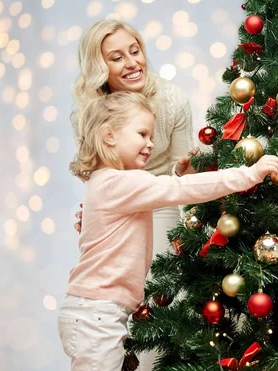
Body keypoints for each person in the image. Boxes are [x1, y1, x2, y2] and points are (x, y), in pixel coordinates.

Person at [58, 91, 278, 370]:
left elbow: (159, 192)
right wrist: (250, 174)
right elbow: (179, 191)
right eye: (141, 134)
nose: (150, 144)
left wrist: (175, 176)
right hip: (97, 314)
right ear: (109, 136)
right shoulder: (119, 183)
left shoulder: (106, 183)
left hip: (94, 312)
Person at [70, 20, 194, 369]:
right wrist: (93, 215)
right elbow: (98, 177)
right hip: (121, 206)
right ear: (99, 68)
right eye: (117, 57)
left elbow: (183, 173)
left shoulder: (171, 100)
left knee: (163, 299)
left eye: (135, 51)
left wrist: (192, 226)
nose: (132, 63)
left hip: (164, 199)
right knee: (117, 300)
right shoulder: (87, 112)